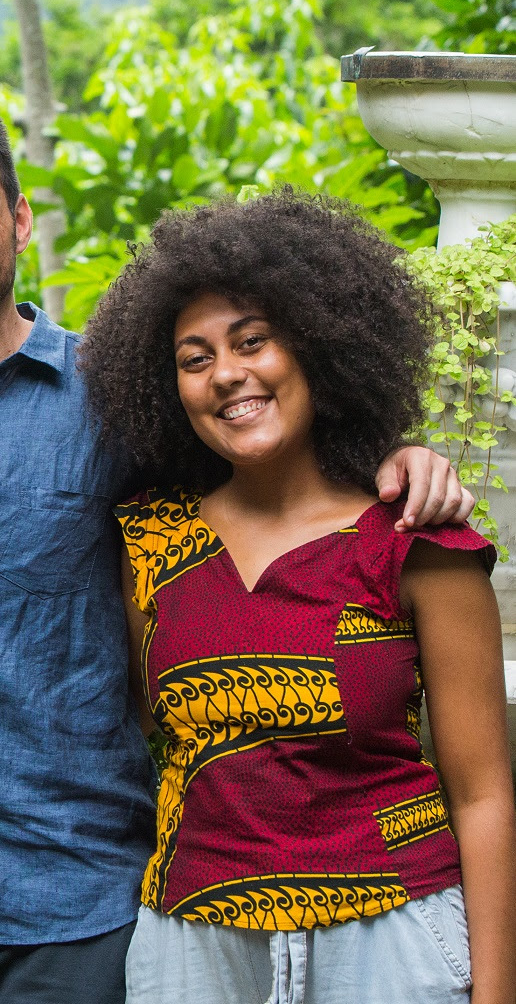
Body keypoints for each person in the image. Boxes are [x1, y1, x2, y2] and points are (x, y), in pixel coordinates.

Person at [0, 97, 475, 1004]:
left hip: (74, 907)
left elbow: (267, 458)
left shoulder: (116, 398)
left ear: (19, 220)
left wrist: (397, 457)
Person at [77, 189, 515, 1004]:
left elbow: (485, 794)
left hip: (392, 936)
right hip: (193, 941)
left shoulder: (418, 544)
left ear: (317, 344)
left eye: (254, 341)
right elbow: (147, 730)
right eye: (194, 357)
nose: (228, 374)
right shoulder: (149, 544)